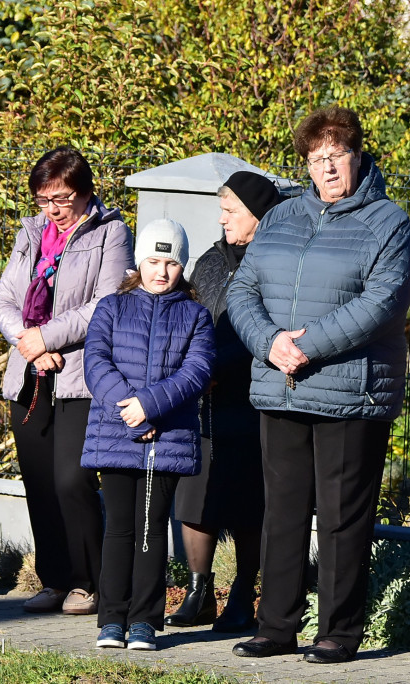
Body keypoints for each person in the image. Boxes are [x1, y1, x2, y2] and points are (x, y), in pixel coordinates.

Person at [226, 106, 410, 664]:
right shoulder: (281, 217)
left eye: (337, 155)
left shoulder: (389, 222)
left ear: (357, 155)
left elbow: (382, 302)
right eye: (316, 158)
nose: (327, 167)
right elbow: (243, 290)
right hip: (280, 387)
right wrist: (270, 343)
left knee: (341, 520)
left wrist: (307, 345)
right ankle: (275, 627)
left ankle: (338, 631)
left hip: (350, 393)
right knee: (282, 514)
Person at [0, 146, 133, 615]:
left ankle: (86, 582)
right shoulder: (31, 232)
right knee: (39, 483)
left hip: (81, 377)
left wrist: (48, 337)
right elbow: (2, 299)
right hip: (29, 373)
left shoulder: (111, 232)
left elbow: (106, 303)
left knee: (72, 480)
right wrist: (28, 341)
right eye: (43, 198)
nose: (52, 209)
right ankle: (53, 580)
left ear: (85, 191)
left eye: (62, 198)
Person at [81, 219, 215, 651]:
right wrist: (133, 414)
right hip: (116, 433)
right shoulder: (111, 307)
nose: (162, 271)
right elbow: (96, 363)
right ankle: (111, 619)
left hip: (167, 439)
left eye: (172, 263)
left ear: (183, 266)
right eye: (154, 261)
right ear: (140, 262)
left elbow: (196, 371)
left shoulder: (196, 315)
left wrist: (151, 406)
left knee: (152, 528)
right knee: (119, 527)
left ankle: (143, 621)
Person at [166, 171, 283, 631]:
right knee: (195, 497)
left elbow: (267, 328)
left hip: (252, 400)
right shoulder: (211, 260)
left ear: (257, 214)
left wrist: (217, 367)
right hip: (204, 402)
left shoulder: (275, 261)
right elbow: (191, 314)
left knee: (250, 503)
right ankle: (199, 593)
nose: (222, 218)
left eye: (230, 210)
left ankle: (242, 595)